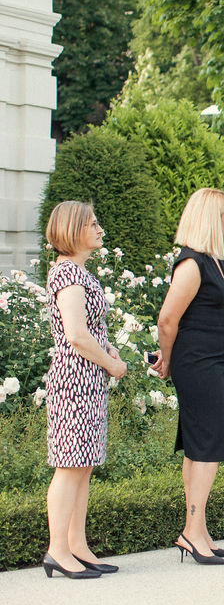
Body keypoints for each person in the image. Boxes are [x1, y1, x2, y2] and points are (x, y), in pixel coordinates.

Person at [41, 201, 128, 579]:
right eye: (92, 224)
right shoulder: (68, 274)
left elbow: (86, 330)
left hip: (87, 381)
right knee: (69, 466)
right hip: (74, 382)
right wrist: (111, 363)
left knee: (82, 466)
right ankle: (58, 550)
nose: (100, 229)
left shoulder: (77, 272)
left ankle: (77, 546)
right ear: (73, 230)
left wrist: (107, 349)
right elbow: (75, 334)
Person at [152, 188, 224, 564]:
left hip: (212, 362)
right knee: (207, 447)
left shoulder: (213, 260)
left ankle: (198, 531)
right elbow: (167, 319)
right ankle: (191, 532)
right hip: (197, 364)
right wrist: (167, 360)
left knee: (199, 446)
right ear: (211, 219)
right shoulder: (191, 263)